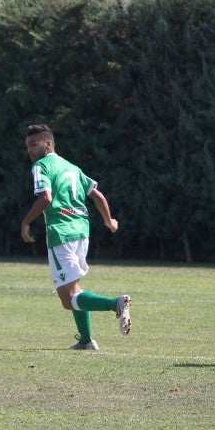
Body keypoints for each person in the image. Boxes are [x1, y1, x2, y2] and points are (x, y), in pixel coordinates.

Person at [19, 123, 131, 350]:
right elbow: (97, 195)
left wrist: (25, 222)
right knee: (75, 289)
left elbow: (46, 198)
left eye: (33, 144)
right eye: (27, 146)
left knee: (67, 300)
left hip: (61, 232)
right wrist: (108, 221)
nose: (29, 150)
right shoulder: (71, 167)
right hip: (81, 232)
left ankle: (115, 304)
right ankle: (86, 340)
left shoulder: (41, 166)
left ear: (47, 144)